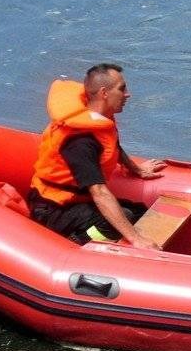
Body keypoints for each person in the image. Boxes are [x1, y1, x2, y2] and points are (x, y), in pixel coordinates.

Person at [27, 63, 166, 249]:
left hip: (78, 201)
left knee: (140, 212)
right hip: (53, 208)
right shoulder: (80, 141)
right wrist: (136, 239)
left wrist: (135, 168)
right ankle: (74, 244)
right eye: (122, 89)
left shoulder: (99, 119)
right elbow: (99, 192)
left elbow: (111, 144)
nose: (127, 94)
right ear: (104, 93)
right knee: (112, 224)